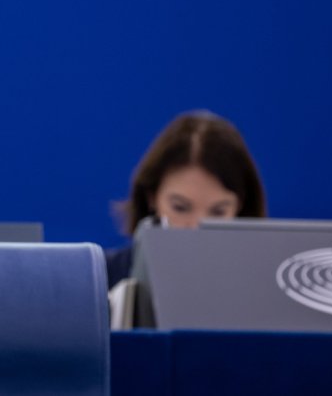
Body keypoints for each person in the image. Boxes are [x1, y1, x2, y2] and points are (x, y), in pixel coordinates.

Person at [105, 110, 267, 287]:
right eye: (180, 207)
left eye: (218, 211)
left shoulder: (266, 286)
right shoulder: (100, 281)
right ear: (151, 197)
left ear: (240, 207)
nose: (196, 228)